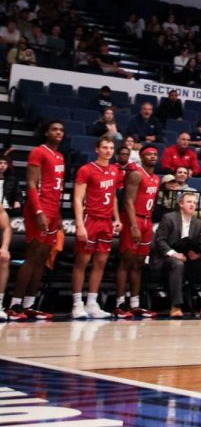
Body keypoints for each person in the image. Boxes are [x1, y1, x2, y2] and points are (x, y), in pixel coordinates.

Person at [7, 120, 66, 321]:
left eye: (61, 130)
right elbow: (31, 184)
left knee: (42, 258)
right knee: (32, 256)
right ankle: (14, 305)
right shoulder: (38, 152)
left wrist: (57, 214)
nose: (58, 132)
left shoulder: (60, 156)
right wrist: (39, 211)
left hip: (52, 209)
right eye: (54, 129)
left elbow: (57, 189)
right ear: (46, 132)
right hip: (37, 209)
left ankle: (29, 304)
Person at [70, 136, 123, 320]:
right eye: (105, 147)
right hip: (90, 219)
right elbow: (77, 199)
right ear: (97, 149)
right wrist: (79, 225)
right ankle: (77, 303)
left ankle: (92, 303)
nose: (108, 150)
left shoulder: (115, 170)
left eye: (111, 147)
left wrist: (117, 217)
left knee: (100, 262)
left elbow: (113, 195)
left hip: (106, 221)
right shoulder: (86, 170)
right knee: (82, 262)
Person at [155, 192, 201, 319]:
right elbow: (160, 240)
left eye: (194, 203)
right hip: (168, 258)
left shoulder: (197, 223)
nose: (192, 205)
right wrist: (174, 253)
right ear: (181, 204)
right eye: (189, 202)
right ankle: (176, 306)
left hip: (187, 258)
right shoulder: (169, 218)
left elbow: (197, 243)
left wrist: (196, 252)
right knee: (178, 264)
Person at [113, 139, 159, 320]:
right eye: (149, 154)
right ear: (141, 156)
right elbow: (128, 201)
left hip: (147, 220)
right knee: (126, 261)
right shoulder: (135, 174)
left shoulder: (156, 178)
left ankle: (135, 303)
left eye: (155, 154)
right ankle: (119, 303)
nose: (152, 156)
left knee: (139, 263)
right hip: (134, 219)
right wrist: (132, 224)